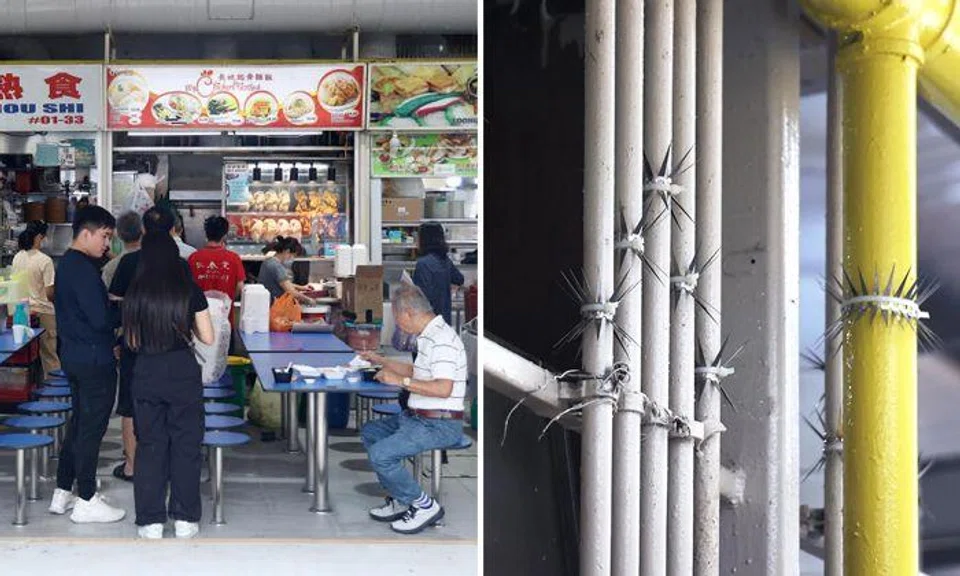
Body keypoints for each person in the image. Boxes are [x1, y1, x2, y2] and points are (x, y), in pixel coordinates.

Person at [123, 231, 213, 539]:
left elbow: (132, 342)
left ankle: (150, 521)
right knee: (186, 445)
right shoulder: (190, 289)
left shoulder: (136, 292)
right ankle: (185, 518)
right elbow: (208, 337)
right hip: (182, 372)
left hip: (147, 371)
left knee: (150, 446)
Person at [359, 284, 467, 534]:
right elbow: (418, 372)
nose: (398, 327)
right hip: (417, 418)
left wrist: (400, 382)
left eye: (397, 321)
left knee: (381, 455)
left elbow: (443, 388)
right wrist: (382, 360)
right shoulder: (429, 336)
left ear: (408, 313)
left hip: (439, 423)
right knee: (371, 432)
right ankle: (401, 498)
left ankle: (424, 506)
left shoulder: (443, 341)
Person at [49, 206, 126, 523]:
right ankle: (87, 500)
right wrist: (127, 309)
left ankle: (63, 491)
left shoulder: (66, 265)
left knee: (79, 423)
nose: (107, 244)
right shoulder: (84, 269)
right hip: (95, 358)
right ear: (86, 233)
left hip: (74, 356)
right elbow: (99, 319)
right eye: (105, 236)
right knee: (92, 428)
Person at [108, 206, 191, 483]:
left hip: (136, 347)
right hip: (174, 349)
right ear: (172, 231)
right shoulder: (180, 264)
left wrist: (120, 338)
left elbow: (115, 304)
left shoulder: (129, 263)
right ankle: (166, 465)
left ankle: (132, 466)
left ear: (143, 230)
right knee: (169, 408)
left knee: (131, 407)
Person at [11, 220, 59, 376]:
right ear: (39, 237)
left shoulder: (17, 257)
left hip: (22, 313)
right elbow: (49, 292)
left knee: (26, 356)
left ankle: (32, 386)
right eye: (44, 237)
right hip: (43, 311)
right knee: (49, 355)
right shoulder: (45, 260)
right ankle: (54, 389)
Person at [188, 216, 245, 317]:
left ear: (206, 233)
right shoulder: (234, 259)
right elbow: (240, 287)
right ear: (224, 235)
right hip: (225, 319)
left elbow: (187, 288)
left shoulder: (193, 258)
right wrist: (230, 297)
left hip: (199, 321)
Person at [413, 223, 464, 326]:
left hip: (428, 322)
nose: (416, 241)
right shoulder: (445, 260)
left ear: (425, 240)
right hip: (444, 320)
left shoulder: (423, 264)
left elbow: (422, 297)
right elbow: (459, 279)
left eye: (417, 237)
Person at [256, 236, 315, 305]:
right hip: (275, 307)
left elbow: (282, 282)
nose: (292, 259)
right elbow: (291, 291)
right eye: (292, 255)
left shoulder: (268, 262)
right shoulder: (277, 267)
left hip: (265, 304)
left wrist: (302, 288)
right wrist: (309, 300)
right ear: (287, 251)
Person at [102, 211, 143, 289]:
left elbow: (105, 296)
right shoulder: (154, 260)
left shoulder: (110, 267)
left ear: (119, 235)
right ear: (142, 231)